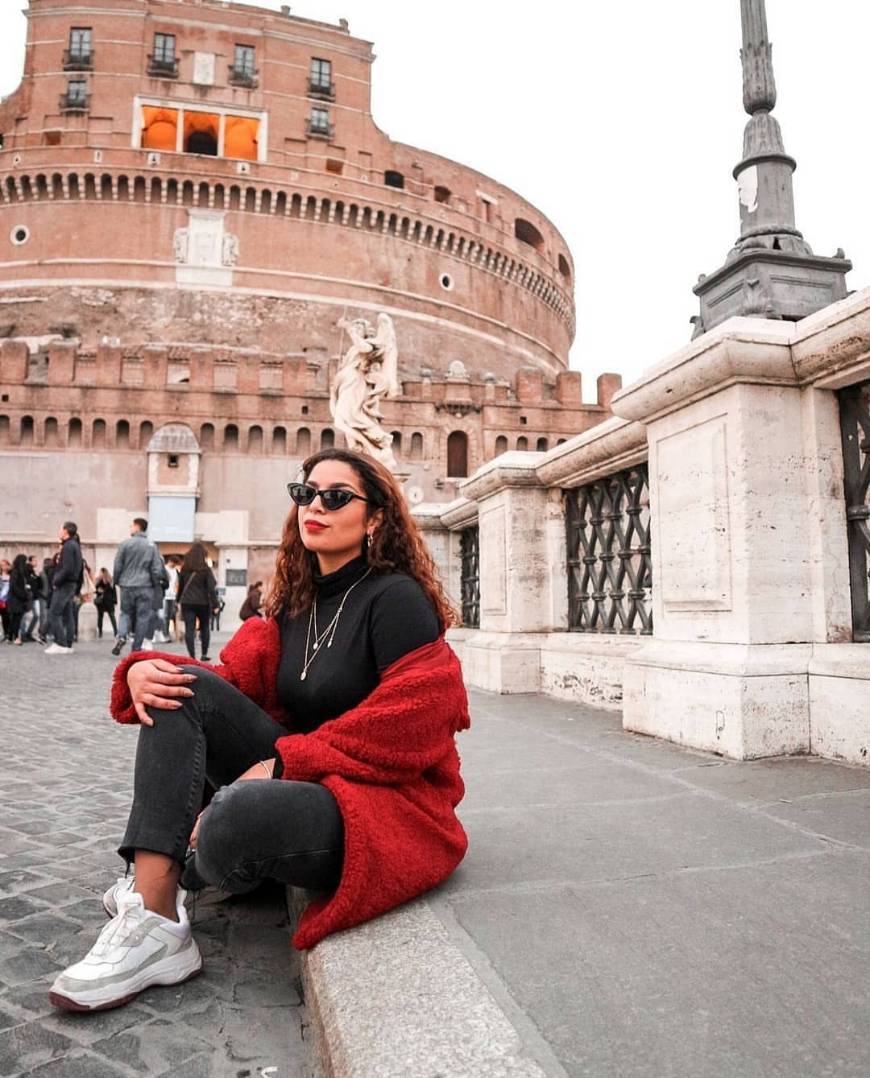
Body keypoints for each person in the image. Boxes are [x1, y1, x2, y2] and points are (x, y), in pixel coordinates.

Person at [49, 448, 470, 1013]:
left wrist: (285, 761)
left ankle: (175, 871)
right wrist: (144, 669)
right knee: (178, 689)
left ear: (375, 519)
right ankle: (155, 922)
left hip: (371, 801)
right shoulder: (290, 608)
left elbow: (416, 722)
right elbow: (227, 684)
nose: (314, 506)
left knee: (232, 820)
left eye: (336, 496)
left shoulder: (396, 599)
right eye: (305, 494)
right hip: (295, 779)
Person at [111, 518, 165, 656]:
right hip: (146, 586)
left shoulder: (125, 544)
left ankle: (122, 635)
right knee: (143, 617)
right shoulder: (151, 546)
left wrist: (116, 580)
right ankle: (136, 647)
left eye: (132, 525)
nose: (130, 528)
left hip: (127, 585)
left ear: (137, 527)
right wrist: (154, 584)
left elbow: (118, 565)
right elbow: (157, 569)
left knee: (125, 613)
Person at [177, 543, 219, 661]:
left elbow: (181, 586)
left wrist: (178, 600)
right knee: (205, 627)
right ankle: (204, 654)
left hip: (187, 602)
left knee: (189, 629)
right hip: (203, 603)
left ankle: (192, 656)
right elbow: (211, 588)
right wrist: (215, 604)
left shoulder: (185, 569)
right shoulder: (205, 570)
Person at [45, 522, 83, 655]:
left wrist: (56, 580)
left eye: (60, 528)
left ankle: (60, 643)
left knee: (54, 613)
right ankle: (67, 643)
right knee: (68, 614)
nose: (59, 531)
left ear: (66, 531)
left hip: (64, 584)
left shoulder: (68, 546)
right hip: (71, 584)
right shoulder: (75, 545)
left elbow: (67, 568)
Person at [6, 554, 29, 645]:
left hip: (17, 598)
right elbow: (14, 586)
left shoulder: (17, 572)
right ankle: (15, 637)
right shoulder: (16, 572)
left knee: (15, 619)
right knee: (16, 619)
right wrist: (23, 594)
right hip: (16, 599)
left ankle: (10, 636)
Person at [94, 569, 118, 639]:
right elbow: (95, 590)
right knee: (100, 618)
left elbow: (114, 592)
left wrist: (115, 601)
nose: (99, 574)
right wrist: (98, 591)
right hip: (101, 602)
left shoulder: (110, 581)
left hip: (109, 602)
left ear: (104, 573)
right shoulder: (99, 581)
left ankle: (116, 632)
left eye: (100, 572)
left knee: (112, 617)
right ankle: (100, 632)